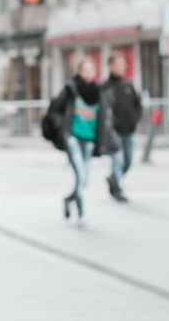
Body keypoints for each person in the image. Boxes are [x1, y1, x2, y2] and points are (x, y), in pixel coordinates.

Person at [52, 58, 119, 223]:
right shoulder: (71, 89)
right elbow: (56, 110)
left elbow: (103, 118)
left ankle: (69, 200)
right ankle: (81, 211)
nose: (89, 73)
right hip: (73, 138)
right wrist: (62, 129)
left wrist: (103, 139)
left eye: (92, 70)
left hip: (89, 140)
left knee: (84, 179)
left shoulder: (98, 92)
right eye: (86, 70)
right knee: (80, 175)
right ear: (80, 72)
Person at [102, 52, 141, 203]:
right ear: (111, 66)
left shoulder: (128, 84)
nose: (122, 67)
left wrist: (135, 120)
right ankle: (117, 189)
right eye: (118, 64)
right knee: (117, 160)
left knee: (128, 161)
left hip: (129, 130)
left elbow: (138, 105)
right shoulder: (105, 87)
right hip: (113, 132)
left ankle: (113, 178)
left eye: (123, 64)